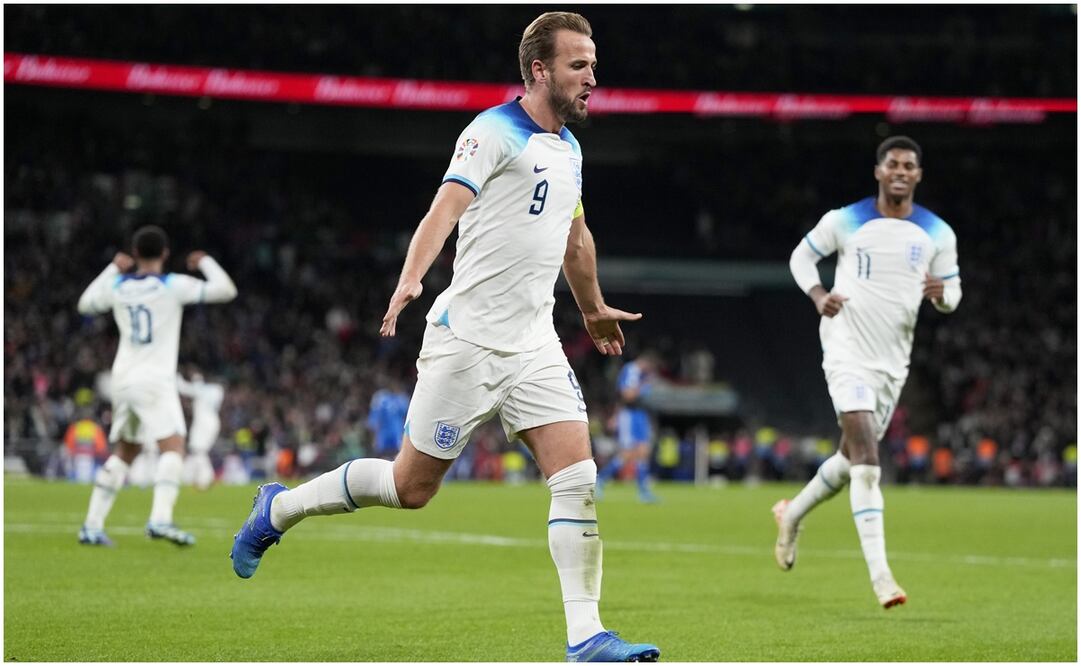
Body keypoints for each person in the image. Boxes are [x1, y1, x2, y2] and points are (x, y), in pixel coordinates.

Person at [230, 12, 660, 662]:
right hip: (467, 343)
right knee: (411, 489)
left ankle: (586, 637)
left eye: (593, 65)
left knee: (576, 476)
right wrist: (410, 280)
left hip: (533, 343)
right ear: (540, 70)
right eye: (579, 65)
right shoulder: (491, 132)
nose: (591, 78)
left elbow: (575, 237)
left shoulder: (569, 148)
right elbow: (445, 209)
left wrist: (592, 305)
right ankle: (279, 508)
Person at [773, 136, 962, 608]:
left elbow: (953, 294)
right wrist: (819, 296)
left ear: (918, 175)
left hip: (891, 361)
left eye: (909, 165)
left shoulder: (938, 232)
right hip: (845, 346)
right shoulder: (845, 219)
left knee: (848, 459)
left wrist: (942, 294)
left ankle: (791, 514)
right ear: (878, 171)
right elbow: (801, 257)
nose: (900, 171)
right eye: (892, 163)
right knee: (869, 463)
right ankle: (882, 579)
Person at [76, 226, 237, 546]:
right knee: (173, 445)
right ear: (164, 253)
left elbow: (85, 304)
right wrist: (205, 262)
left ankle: (91, 526)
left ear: (135, 255)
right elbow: (225, 290)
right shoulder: (172, 285)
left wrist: (111, 268)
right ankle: (160, 520)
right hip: (154, 380)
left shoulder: (119, 286)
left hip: (122, 379)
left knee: (126, 450)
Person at [597, 351, 660, 502]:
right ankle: (599, 481)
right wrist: (645, 386)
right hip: (629, 415)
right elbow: (627, 395)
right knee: (627, 454)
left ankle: (643, 491)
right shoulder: (633, 370)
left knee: (643, 451)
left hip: (639, 414)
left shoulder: (638, 372)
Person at [177, 369, 225, 490]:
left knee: (198, 450)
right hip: (212, 421)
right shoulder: (217, 390)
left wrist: (175, 375)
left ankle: (205, 479)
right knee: (199, 451)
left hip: (204, 422)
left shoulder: (203, 390)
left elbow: (184, 388)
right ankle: (200, 478)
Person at [366, 377, 411, 460]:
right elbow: (374, 421)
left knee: (395, 462)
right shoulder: (379, 398)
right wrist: (374, 438)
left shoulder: (402, 399)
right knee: (384, 461)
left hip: (396, 437)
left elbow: (407, 419)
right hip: (384, 438)